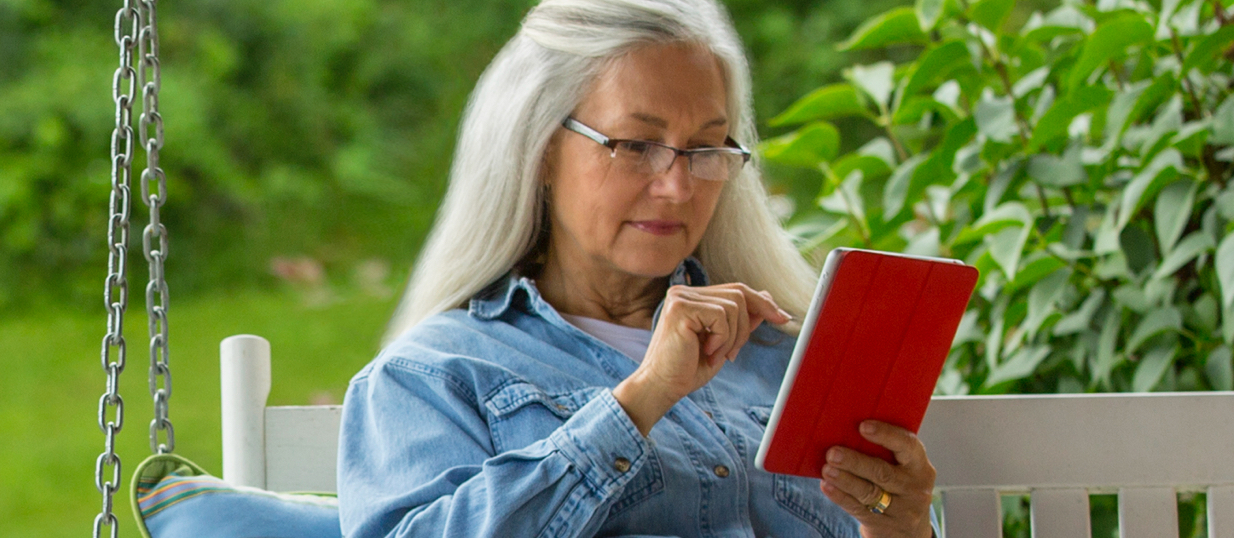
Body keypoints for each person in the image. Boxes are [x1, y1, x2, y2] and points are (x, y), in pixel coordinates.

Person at [336, 0, 938, 536]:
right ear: (541, 149)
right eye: (635, 145)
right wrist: (642, 400)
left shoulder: (793, 363)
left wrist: (903, 529)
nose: (677, 187)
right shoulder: (434, 374)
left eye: (705, 149)